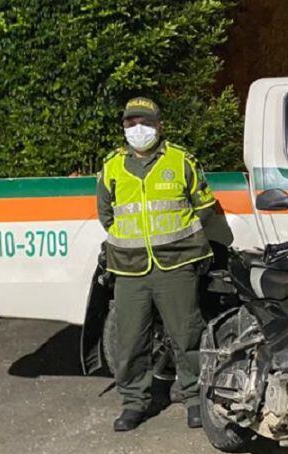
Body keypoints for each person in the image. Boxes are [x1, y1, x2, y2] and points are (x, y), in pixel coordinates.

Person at [97, 97, 220, 431]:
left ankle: (195, 399)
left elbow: (204, 205)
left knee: (186, 335)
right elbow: (106, 215)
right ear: (123, 127)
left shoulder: (181, 161)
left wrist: (182, 238)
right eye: (131, 123)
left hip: (176, 265)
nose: (138, 129)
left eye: (145, 122)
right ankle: (134, 403)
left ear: (159, 125)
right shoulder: (111, 168)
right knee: (130, 339)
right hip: (129, 268)